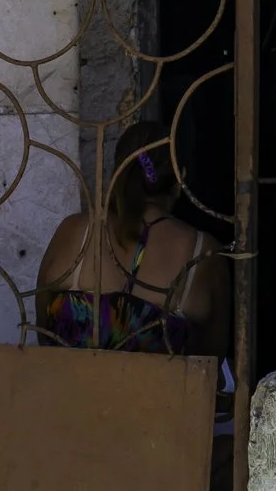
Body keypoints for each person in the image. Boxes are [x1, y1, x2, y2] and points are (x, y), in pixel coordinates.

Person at [32, 120, 227, 356]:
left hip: (66, 390)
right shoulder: (202, 252)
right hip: (160, 393)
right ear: (181, 175)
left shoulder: (75, 231)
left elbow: (43, 330)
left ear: (117, 171)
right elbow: (214, 356)